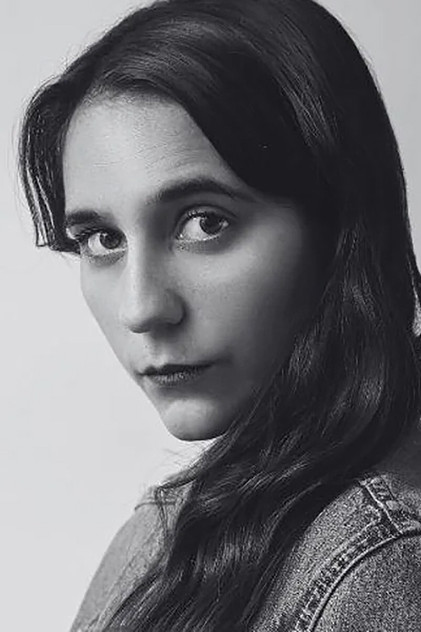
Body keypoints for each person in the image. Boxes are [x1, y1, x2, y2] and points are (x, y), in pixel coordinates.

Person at [19, 0, 421, 629]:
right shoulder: (166, 527)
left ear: (339, 226)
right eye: (102, 239)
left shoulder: (375, 562)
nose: (141, 308)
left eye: (204, 223)